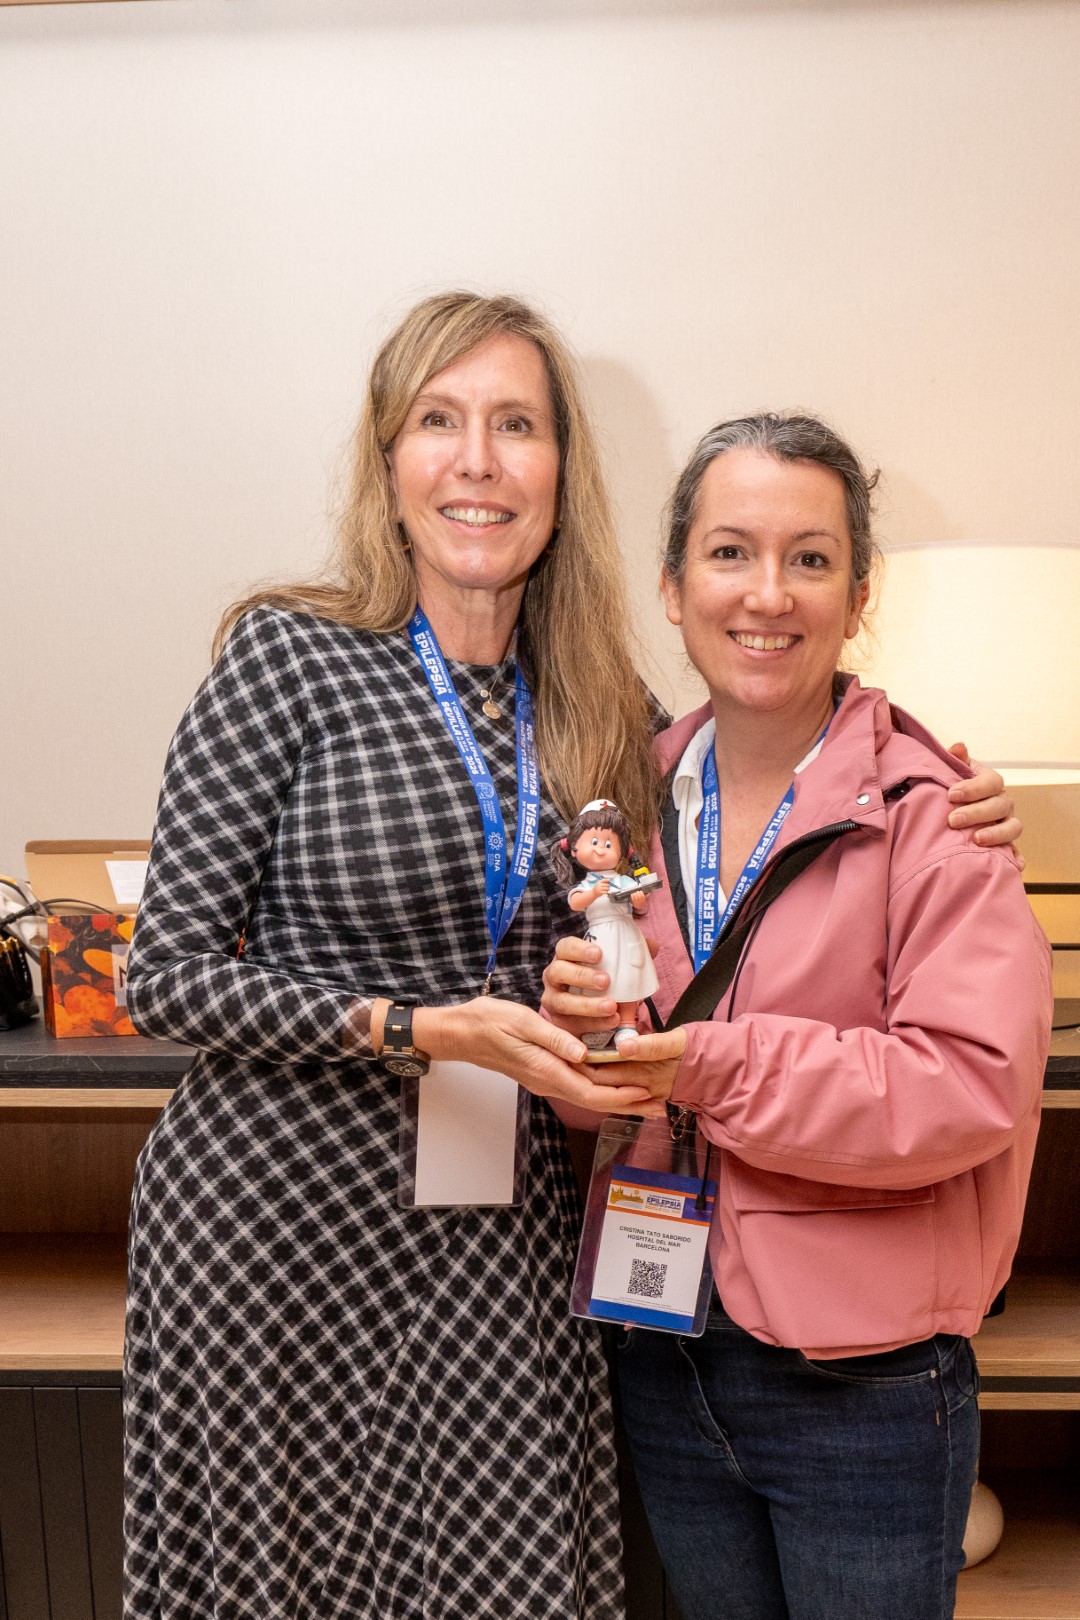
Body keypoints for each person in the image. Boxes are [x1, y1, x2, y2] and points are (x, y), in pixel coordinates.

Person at [124, 289, 1020, 1620]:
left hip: (507, 1234)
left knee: (505, 1574)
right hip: (282, 1223)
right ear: (389, 459)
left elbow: (760, 793)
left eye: (517, 426)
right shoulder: (289, 656)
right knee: (290, 1583)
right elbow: (161, 975)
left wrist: (955, 786)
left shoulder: (608, 707)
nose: (478, 461)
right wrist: (416, 1028)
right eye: (440, 421)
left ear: (561, 468)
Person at [542, 413, 1052, 1620]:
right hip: (665, 1350)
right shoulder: (621, 810)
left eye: (810, 559)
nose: (767, 593)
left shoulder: (937, 818)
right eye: (730, 552)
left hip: (865, 1386)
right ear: (673, 586)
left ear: (857, 595)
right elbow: (607, 1094)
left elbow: (966, 1086)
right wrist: (580, 1054)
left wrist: (710, 1067)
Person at [553, 800, 659, 1052]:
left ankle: (626, 1025)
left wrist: (638, 898)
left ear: (621, 852)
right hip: (600, 937)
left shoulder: (623, 880)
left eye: (609, 844)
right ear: (574, 849)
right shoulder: (587, 884)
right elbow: (576, 902)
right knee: (599, 980)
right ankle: (601, 1024)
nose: (601, 850)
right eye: (594, 842)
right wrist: (593, 894)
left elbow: (639, 901)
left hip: (626, 934)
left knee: (630, 980)